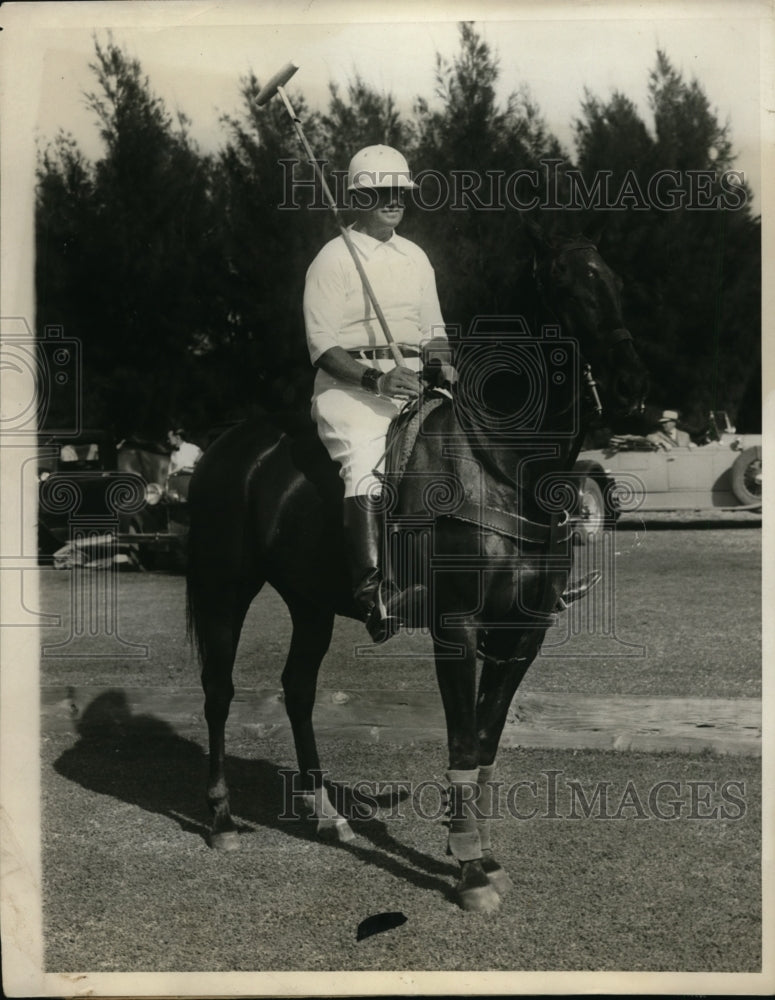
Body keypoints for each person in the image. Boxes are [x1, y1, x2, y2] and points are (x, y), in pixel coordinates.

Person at [303, 144, 450, 643]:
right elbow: (322, 346)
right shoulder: (333, 258)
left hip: (412, 383)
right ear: (359, 196)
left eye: (401, 192)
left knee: (466, 442)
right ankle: (373, 594)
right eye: (381, 192)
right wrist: (376, 380)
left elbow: (433, 332)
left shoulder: (416, 257)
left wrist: (441, 367)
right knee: (366, 458)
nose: (394, 201)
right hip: (352, 391)